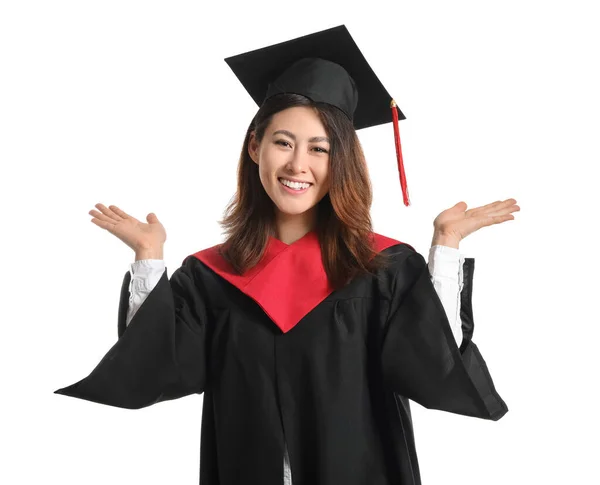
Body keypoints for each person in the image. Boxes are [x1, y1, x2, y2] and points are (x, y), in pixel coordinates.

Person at [54, 25, 519, 485]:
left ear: (341, 161)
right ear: (255, 146)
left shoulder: (383, 269)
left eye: (320, 148)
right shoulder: (209, 277)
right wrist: (149, 256)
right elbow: (151, 369)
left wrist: (445, 247)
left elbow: (434, 367)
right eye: (283, 142)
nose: (298, 165)